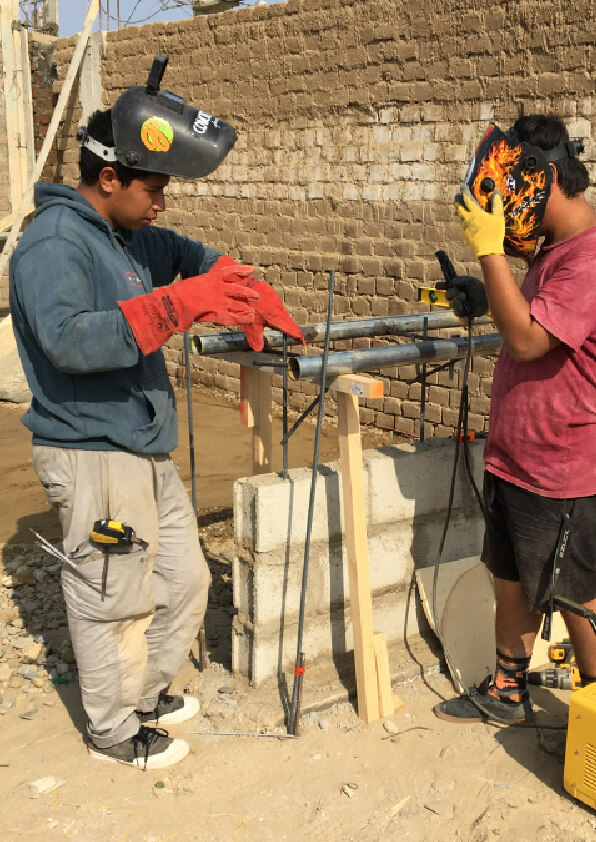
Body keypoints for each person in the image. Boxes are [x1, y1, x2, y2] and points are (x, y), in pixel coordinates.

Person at [9, 56, 302, 768]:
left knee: (184, 580)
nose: (162, 204)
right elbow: (71, 342)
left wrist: (233, 280)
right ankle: (113, 731)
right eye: (153, 189)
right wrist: (177, 305)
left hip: (140, 445)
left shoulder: (128, 234)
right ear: (108, 178)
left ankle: (145, 695)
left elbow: (190, 254)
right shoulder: (54, 244)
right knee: (113, 598)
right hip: (91, 451)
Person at [433, 114, 596, 724]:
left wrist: (488, 249)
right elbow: (532, 319)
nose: (506, 205)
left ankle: (593, 710)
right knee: (509, 576)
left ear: (545, 178)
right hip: (518, 455)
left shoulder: (589, 259)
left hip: (562, 463)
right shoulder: (554, 251)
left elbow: (528, 341)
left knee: (576, 592)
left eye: (512, 189)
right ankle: (507, 691)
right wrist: (488, 291)